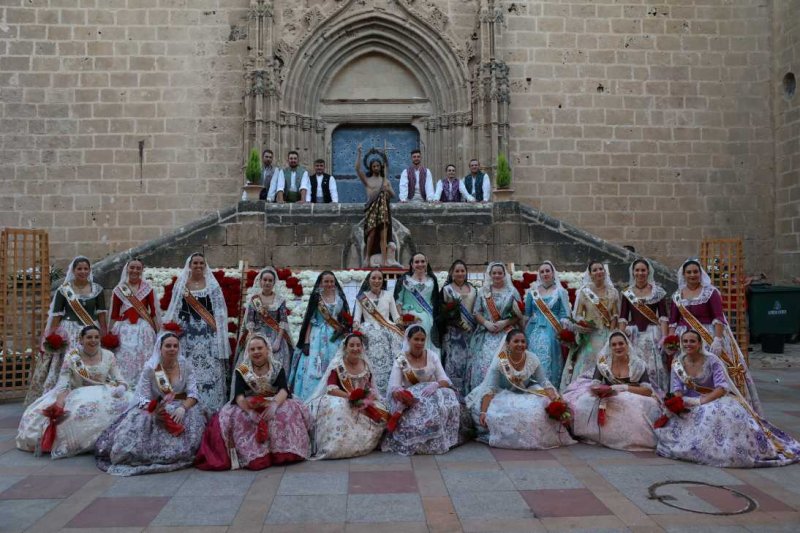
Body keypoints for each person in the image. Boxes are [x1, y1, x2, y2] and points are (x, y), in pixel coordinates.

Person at [655, 330, 800, 467]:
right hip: (690, 401)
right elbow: (677, 389)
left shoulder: (712, 361)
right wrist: (678, 402)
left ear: (700, 344)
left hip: (714, 399)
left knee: (715, 415)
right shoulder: (678, 363)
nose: (688, 344)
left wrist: (701, 401)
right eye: (685, 341)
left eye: (692, 341)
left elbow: (721, 388)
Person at [95, 332, 206, 476]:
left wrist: (183, 408)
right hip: (155, 407)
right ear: (160, 348)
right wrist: (156, 410)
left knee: (193, 421)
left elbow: (193, 393)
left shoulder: (186, 366)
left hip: (181, 406)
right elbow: (142, 397)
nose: (172, 349)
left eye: (175, 346)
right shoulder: (151, 368)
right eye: (168, 346)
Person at [196, 335, 311, 470]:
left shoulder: (277, 366)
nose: (256, 352)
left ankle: (284, 451)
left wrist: (274, 405)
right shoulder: (242, 370)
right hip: (248, 403)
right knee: (242, 418)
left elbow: (284, 390)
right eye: (252, 349)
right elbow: (239, 396)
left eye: (259, 348)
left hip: (273, 400)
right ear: (248, 352)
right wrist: (249, 411)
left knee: (285, 412)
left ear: (267, 349)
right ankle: (257, 454)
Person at [17, 325, 131, 458]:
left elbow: (120, 379)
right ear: (81, 340)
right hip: (77, 392)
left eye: (96, 337)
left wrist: (121, 388)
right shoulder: (72, 357)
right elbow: (63, 382)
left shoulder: (108, 355)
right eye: (89, 337)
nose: (93, 340)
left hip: (102, 391)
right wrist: (60, 402)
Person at [667, 259, 761, 412]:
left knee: (714, 369)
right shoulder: (677, 296)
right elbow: (673, 321)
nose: (692, 275)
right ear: (684, 275)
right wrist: (670, 342)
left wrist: (717, 339)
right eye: (689, 272)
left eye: (695, 271)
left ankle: (716, 400)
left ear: (700, 273)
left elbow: (718, 317)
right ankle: (683, 401)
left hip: (708, 337)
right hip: (684, 340)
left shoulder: (711, 292)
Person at [466, 330, 575, 450]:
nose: (520, 344)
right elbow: (491, 389)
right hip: (501, 394)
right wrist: (483, 412)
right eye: (516, 341)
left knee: (539, 410)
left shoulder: (532, 358)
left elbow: (544, 382)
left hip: (524, 393)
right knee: (510, 413)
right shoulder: (500, 361)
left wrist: (555, 398)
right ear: (508, 344)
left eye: (523, 341)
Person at [26, 256, 108, 403]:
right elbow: (56, 315)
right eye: (79, 269)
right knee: (67, 360)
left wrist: (104, 331)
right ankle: (64, 391)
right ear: (73, 270)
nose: (83, 272)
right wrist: (51, 336)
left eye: (86, 269)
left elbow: (101, 312)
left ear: (89, 270)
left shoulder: (97, 289)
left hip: (91, 332)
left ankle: (89, 389)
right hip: (69, 332)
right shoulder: (63, 290)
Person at [562, 331, 660, 451]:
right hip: (609, 395)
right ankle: (593, 435)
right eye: (614, 345)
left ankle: (632, 439)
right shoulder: (603, 363)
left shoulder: (638, 364)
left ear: (627, 345)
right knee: (585, 401)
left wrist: (623, 388)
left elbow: (647, 391)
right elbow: (594, 384)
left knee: (630, 402)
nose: (618, 347)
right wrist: (600, 391)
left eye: (620, 344)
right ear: (609, 347)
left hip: (634, 394)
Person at [162, 253, 229, 413]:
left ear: (205, 266)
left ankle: (211, 407)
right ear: (189, 265)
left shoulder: (212, 285)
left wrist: (218, 336)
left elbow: (219, 311)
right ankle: (189, 404)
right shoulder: (181, 285)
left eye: (201, 263)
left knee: (210, 370)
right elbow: (176, 309)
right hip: (187, 335)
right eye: (195, 263)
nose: (198, 266)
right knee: (189, 368)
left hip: (208, 335)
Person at [382, 326, 461, 455]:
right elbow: (394, 387)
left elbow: (445, 380)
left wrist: (436, 384)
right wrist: (403, 397)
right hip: (413, 398)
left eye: (422, 340)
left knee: (448, 397)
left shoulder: (432, 355)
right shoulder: (401, 359)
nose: (419, 343)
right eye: (416, 339)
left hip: (431, 393)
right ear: (408, 340)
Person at [307, 332, 387, 459]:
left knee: (382, 412)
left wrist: (367, 400)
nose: (355, 348)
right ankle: (336, 447)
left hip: (361, 401)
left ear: (362, 347)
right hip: (341, 398)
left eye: (358, 345)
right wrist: (351, 397)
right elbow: (331, 388)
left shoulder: (366, 365)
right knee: (340, 408)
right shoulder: (338, 365)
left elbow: (370, 388)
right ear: (345, 348)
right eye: (352, 345)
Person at [289, 271, 350, 401]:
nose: (329, 284)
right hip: (317, 336)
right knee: (315, 367)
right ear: (321, 283)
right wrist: (306, 343)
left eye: (331, 281)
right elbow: (309, 321)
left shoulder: (340, 298)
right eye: (326, 281)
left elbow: (344, 318)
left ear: (335, 283)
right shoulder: (317, 298)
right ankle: (312, 398)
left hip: (335, 336)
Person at [561, 261, 619, 390]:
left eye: (601, 269)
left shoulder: (613, 292)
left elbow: (615, 315)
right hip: (590, 336)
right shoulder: (585, 292)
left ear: (604, 272)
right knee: (587, 365)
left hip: (606, 334)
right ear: (590, 274)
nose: (599, 271)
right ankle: (581, 390)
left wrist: (612, 334)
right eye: (595, 270)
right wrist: (582, 324)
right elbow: (579, 314)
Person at [467, 262, 523, 392]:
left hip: (506, 333)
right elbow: (477, 312)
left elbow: (519, 315)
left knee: (505, 364)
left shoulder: (512, 292)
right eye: (494, 273)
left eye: (500, 273)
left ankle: (504, 392)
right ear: (490, 275)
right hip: (486, 333)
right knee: (485, 363)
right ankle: (483, 392)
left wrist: (505, 322)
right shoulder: (484, 291)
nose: (497, 275)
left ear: (504, 275)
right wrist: (486, 323)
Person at [618, 258, 670, 391]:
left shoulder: (658, 292)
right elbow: (623, 317)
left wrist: (665, 337)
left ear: (648, 272)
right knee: (634, 365)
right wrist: (621, 335)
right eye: (637, 270)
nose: (640, 273)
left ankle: (657, 393)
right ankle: (636, 391)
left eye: (643, 270)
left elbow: (663, 317)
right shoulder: (627, 293)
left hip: (653, 335)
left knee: (654, 367)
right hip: (633, 335)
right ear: (633, 273)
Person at [109, 258, 161, 384]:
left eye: (138, 268)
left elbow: (153, 312)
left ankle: (142, 384)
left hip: (143, 329)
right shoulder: (119, 289)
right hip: (123, 328)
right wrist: (108, 334)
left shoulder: (147, 288)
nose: (135, 270)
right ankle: (123, 383)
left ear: (142, 270)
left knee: (143, 357)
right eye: (132, 267)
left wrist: (159, 334)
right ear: (127, 269)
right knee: (123, 357)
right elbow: (114, 314)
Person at [352, 270, 403, 396]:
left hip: (386, 328)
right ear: (369, 280)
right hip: (368, 329)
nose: (377, 281)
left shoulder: (389, 295)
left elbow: (395, 317)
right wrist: (356, 325)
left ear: (383, 280)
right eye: (374, 278)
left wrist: (403, 322)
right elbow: (357, 318)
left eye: (379, 278)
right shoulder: (362, 297)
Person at [524, 261, 572, 386]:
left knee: (550, 358)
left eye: (547, 271)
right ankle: (533, 386)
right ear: (539, 274)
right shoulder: (532, 292)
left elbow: (565, 313)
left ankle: (551, 387)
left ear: (552, 273)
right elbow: (527, 313)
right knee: (532, 356)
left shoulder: (560, 292)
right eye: (542, 271)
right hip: (534, 329)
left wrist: (563, 325)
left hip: (553, 330)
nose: (545, 274)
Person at [236, 267, 293, 372]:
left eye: (270, 280)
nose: (267, 282)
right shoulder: (254, 299)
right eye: (265, 280)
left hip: (276, 337)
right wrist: (252, 340)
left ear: (274, 282)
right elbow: (250, 321)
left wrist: (278, 341)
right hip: (257, 335)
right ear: (260, 281)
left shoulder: (280, 300)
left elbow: (283, 321)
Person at [440, 260, 478, 395]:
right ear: (452, 273)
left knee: (470, 363)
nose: (460, 273)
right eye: (457, 271)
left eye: (462, 271)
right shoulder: (446, 289)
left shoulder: (473, 289)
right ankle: (454, 394)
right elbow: (442, 313)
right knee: (454, 364)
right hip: (453, 335)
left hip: (471, 332)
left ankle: (469, 393)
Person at [356, 145, 395, 267]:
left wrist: (387, 189)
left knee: (383, 234)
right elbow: (357, 169)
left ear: (380, 167)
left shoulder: (385, 181)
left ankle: (384, 260)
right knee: (371, 233)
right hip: (372, 208)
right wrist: (359, 153)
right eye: (374, 166)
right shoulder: (367, 180)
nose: (376, 168)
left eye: (378, 166)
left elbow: (393, 195)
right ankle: (367, 258)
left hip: (383, 208)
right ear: (371, 168)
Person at [394, 253, 441, 349]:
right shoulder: (405, 280)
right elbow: (398, 303)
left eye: (423, 261)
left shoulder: (432, 281)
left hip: (429, 319)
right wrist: (405, 319)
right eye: (417, 262)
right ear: (412, 264)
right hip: (410, 319)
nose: (420, 264)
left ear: (427, 263)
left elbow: (435, 301)